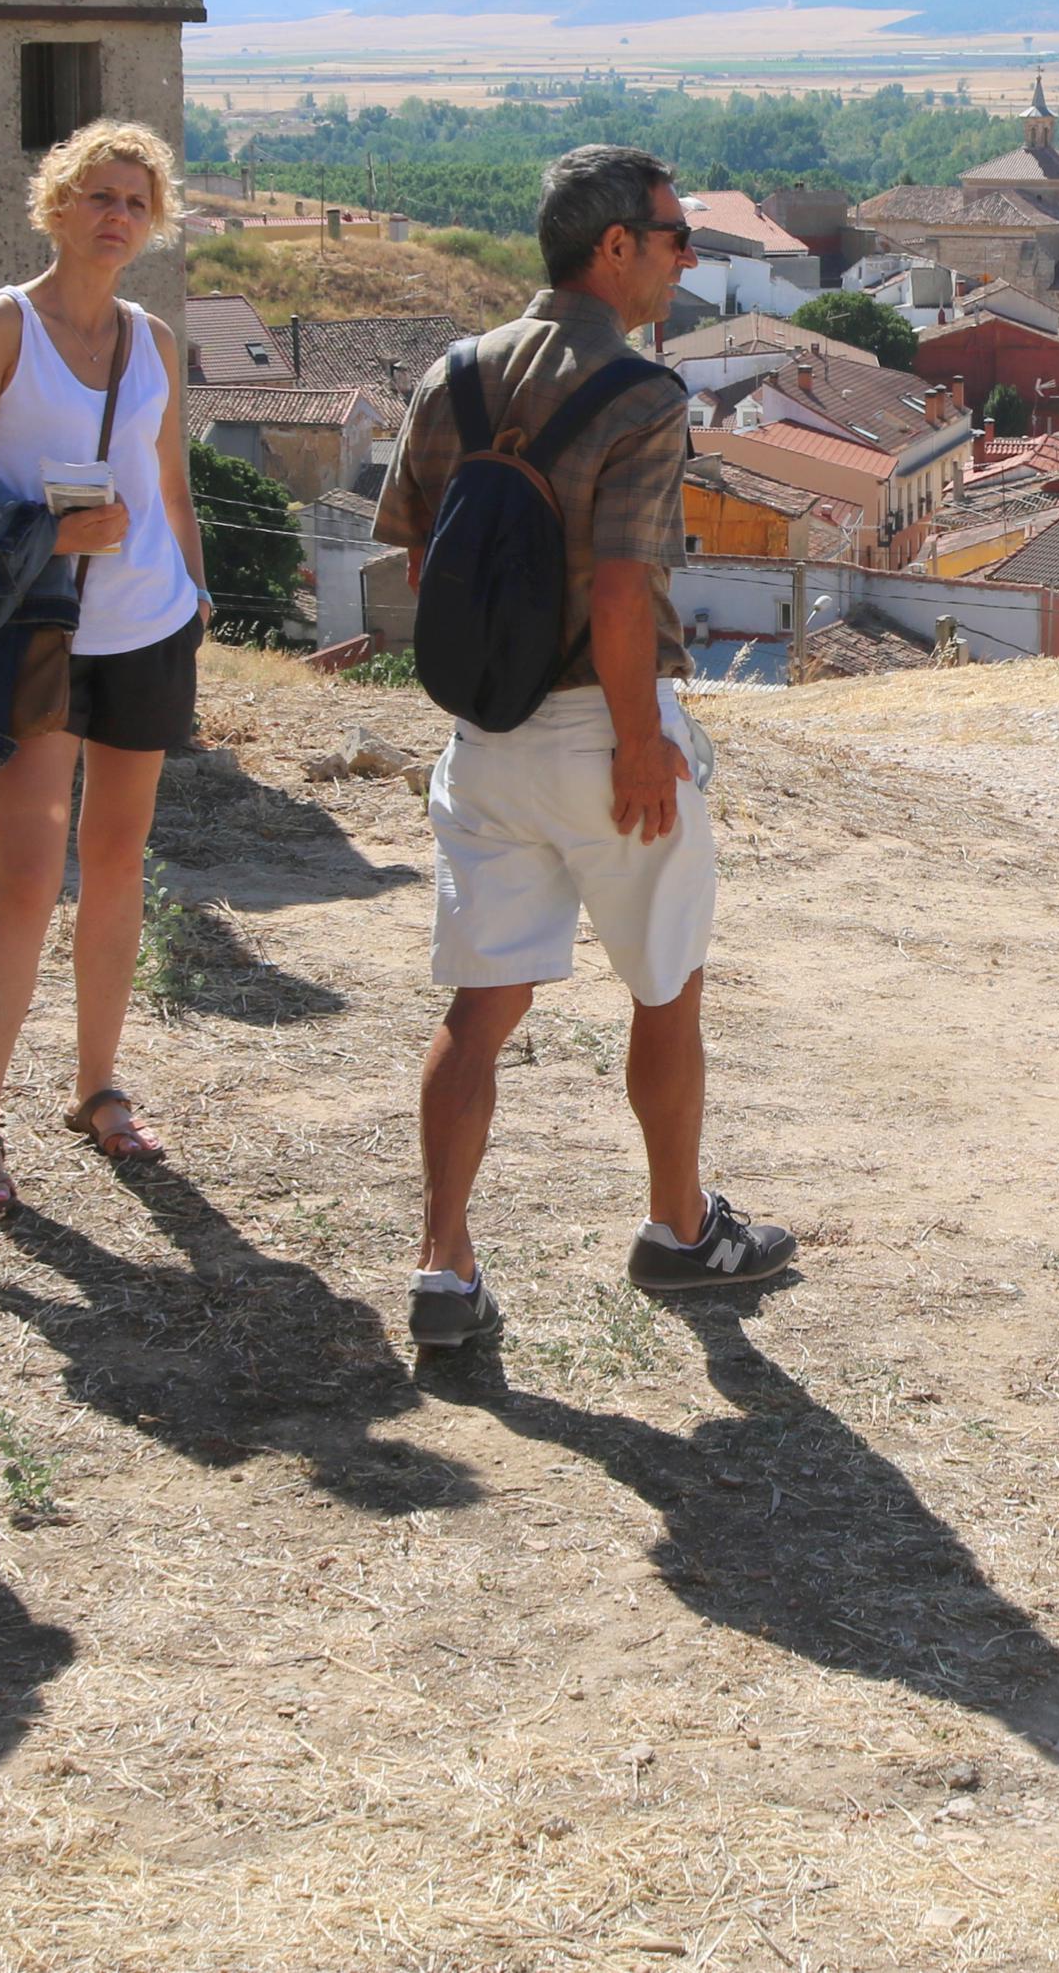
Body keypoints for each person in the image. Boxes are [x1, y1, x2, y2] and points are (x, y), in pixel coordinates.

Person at [376, 145, 794, 1354]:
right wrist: (637, 744)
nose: (686, 257)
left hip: (485, 737)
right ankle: (679, 1230)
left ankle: (443, 1267)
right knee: (664, 988)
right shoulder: (639, 393)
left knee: (477, 1008)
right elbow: (619, 589)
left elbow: (423, 561)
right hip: (604, 729)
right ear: (615, 247)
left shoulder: (452, 373)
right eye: (673, 236)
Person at [0, 120, 211, 1221]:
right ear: (57, 205)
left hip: (147, 628)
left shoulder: (153, 338)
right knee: (27, 878)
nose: (116, 215)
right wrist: (51, 533)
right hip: (37, 635)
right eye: (98, 195)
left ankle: (97, 1089)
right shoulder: (2, 325)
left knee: (117, 865)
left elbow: (170, 487)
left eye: (136, 200)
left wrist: (197, 593)